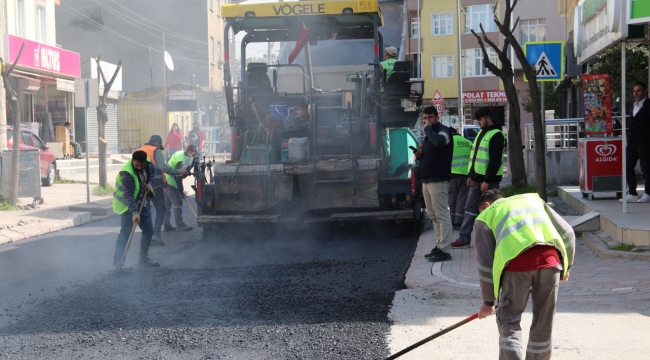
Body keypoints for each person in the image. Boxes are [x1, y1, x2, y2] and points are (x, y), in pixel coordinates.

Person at [474, 189, 575, 360]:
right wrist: (566, 267)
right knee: (544, 322)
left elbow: (485, 263)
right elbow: (568, 232)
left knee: (509, 322)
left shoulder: (486, 215)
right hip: (551, 264)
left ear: (487, 204)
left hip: (516, 267)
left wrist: (488, 301)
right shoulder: (534, 200)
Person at [451, 107, 505, 249]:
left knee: (492, 211)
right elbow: (475, 156)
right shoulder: (481, 132)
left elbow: (495, 160)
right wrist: (471, 175)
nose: (478, 123)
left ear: (488, 118)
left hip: (489, 181)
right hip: (476, 180)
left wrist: (487, 180)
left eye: (480, 120)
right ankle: (464, 238)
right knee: (469, 208)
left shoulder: (497, 135)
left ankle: (494, 240)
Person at [414, 106, 454, 263]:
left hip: (439, 179)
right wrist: (420, 156)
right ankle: (439, 246)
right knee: (433, 215)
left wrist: (428, 129)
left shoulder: (442, 131)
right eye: (425, 118)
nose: (427, 121)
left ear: (437, 117)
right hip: (427, 179)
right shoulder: (428, 134)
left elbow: (439, 142)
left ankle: (445, 250)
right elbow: (432, 154)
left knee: (442, 214)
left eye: (430, 117)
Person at [111, 150, 159, 269]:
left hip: (143, 202)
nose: (139, 167)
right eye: (136, 165)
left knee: (148, 231)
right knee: (125, 233)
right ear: (132, 161)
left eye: (141, 166)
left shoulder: (148, 163)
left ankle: (143, 259)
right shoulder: (126, 173)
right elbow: (128, 195)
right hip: (128, 206)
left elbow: (153, 172)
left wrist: (149, 183)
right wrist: (134, 213)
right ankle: (116, 264)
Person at [136, 135, 187, 246]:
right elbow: (163, 167)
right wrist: (179, 171)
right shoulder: (156, 151)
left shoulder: (139, 150)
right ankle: (155, 235)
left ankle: (146, 235)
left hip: (140, 186)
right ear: (158, 143)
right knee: (161, 209)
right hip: (155, 186)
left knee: (146, 211)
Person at [621, 81, 650, 203]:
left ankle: (648, 193)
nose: (636, 93)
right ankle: (632, 192)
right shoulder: (634, 106)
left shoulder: (648, 106)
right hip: (632, 142)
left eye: (638, 91)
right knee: (628, 166)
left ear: (645, 92)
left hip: (644, 142)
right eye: (634, 91)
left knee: (646, 168)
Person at [163, 145, 198, 232]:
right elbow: (179, 177)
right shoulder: (181, 160)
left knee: (167, 204)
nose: (192, 156)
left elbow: (168, 160)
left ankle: (166, 225)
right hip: (170, 180)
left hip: (165, 178)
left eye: (194, 155)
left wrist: (187, 172)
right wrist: (181, 191)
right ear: (187, 151)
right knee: (177, 202)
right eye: (192, 154)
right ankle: (179, 224)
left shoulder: (181, 154)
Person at [448, 127, 472, 229]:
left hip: (453, 175)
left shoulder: (448, 143)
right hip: (466, 175)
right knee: (462, 198)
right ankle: (459, 221)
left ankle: (452, 221)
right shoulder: (468, 142)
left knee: (452, 198)